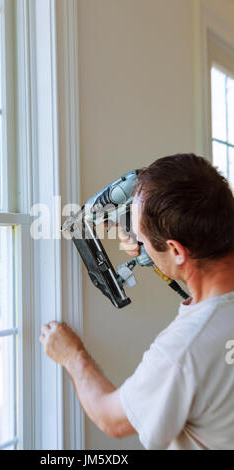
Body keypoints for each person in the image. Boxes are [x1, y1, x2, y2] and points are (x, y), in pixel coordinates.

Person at [39, 154, 234, 450]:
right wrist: (147, 237)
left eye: (140, 240)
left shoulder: (183, 351)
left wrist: (71, 356)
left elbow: (112, 419)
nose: (137, 245)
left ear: (176, 250)